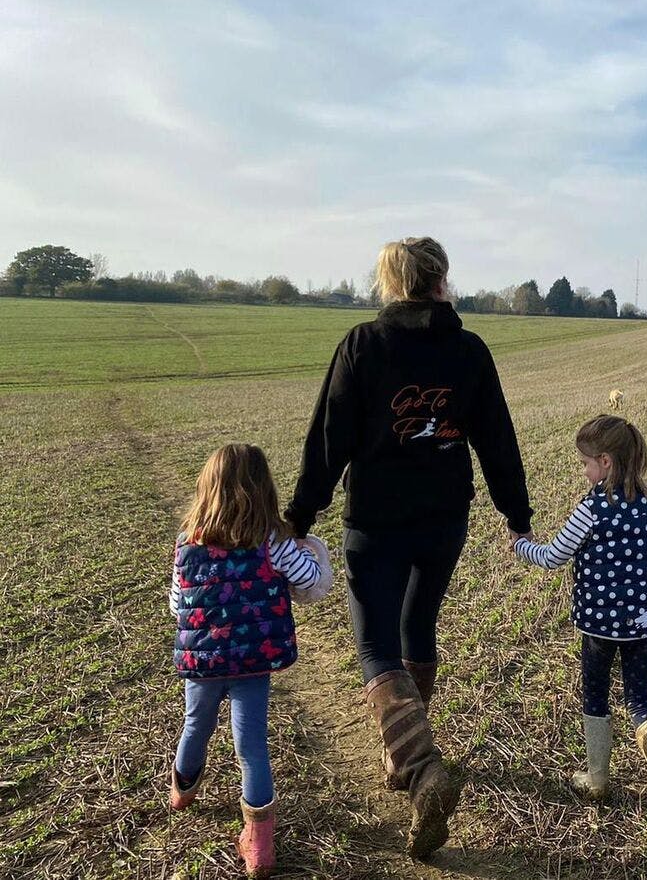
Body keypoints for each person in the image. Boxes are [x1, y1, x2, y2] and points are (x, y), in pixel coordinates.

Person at [284, 236, 533, 859]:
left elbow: (328, 439)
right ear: (441, 281)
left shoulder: (365, 345)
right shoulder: (469, 351)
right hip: (445, 517)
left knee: (375, 645)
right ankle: (405, 760)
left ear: (389, 283)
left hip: (377, 519)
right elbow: (497, 439)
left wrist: (300, 514)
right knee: (419, 627)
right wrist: (516, 515)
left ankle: (419, 766)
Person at [512, 415, 647, 837]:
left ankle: (597, 780)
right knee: (640, 702)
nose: (585, 470)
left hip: (599, 625)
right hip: (646, 622)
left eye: (586, 463)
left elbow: (555, 556)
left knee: (595, 696)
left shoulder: (592, 507)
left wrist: (520, 545)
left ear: (606, 462)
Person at [168, 443, 332, 879]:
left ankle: (182, 792)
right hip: (251, 664)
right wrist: (311, 545)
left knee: (195, 725)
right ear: (264, 491)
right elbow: (313, 580)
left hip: (202, 665)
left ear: (208, 487)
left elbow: (177, 604)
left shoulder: (188, 540)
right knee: (252, 748)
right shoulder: (272, 541)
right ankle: (259, 848)